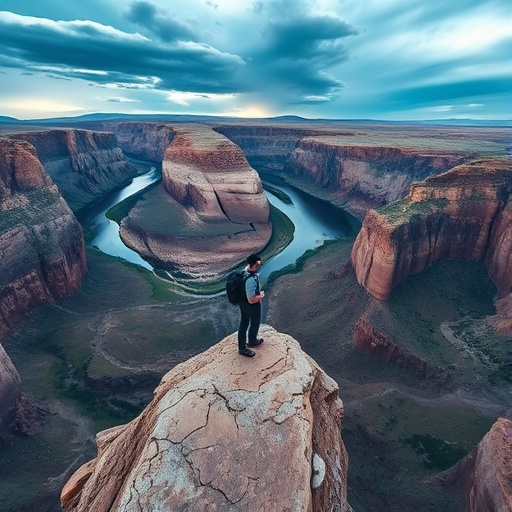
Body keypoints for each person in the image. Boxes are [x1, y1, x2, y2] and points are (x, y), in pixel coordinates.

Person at [238, 254, 265, 357]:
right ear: (253, 265)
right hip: (252, 305)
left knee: (243, 323)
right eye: (258, 264)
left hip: (242, 303)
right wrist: (260, 296)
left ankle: (243, 346)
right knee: (254, 323)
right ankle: (250, 343)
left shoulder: (244, 272)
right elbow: (251, 299)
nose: (260, 265)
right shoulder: (250, 279)